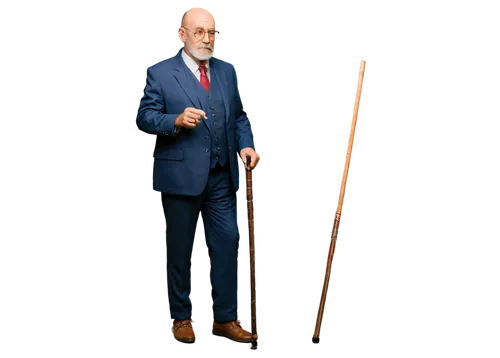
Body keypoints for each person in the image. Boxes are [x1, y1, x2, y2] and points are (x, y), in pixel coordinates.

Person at [134, 5, 260, 344]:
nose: (206, 39)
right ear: (182, 34)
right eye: (198, 32)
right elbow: (144, 118)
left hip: (222, 178)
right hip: (180, 178)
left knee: (227, 244)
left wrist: (247, 145)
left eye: (211, 33)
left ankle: (224, 318)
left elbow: (239, 119)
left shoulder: (227, 71)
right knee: (179, 249)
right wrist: (173, 120)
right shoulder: (160, 73)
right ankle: (180, 318)